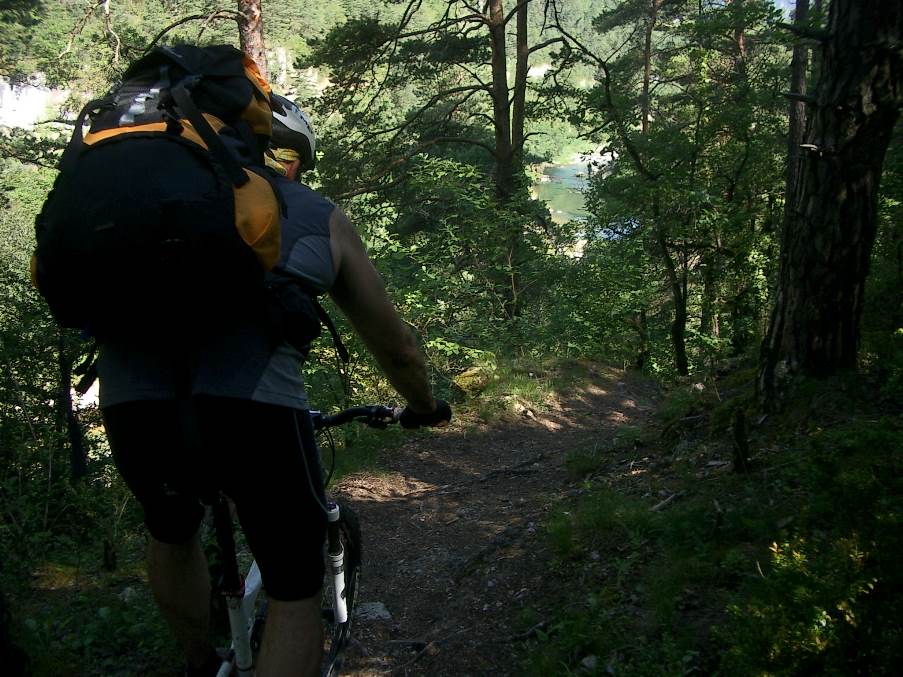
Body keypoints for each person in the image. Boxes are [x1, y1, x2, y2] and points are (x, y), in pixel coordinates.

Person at [98, 94, 451, 677]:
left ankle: (198, 662)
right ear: (282, 155)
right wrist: (424, 406)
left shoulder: (143, 208)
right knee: (293, 583)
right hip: (251, 407)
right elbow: (398, 347)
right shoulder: (312, 212)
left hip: (132, 404)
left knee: (172, 527)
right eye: (294, 158)